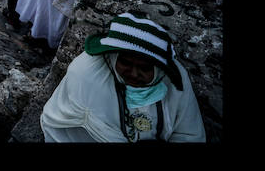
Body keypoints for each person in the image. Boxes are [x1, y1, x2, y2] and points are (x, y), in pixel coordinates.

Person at [40, 12, 206, 142]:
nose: (133, 73)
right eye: (126, 63)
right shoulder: (87, 73)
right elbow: (70, 131)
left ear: (159, 70)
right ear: (113, 58)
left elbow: (188, 133)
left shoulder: (176, 86)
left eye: (144, 68)